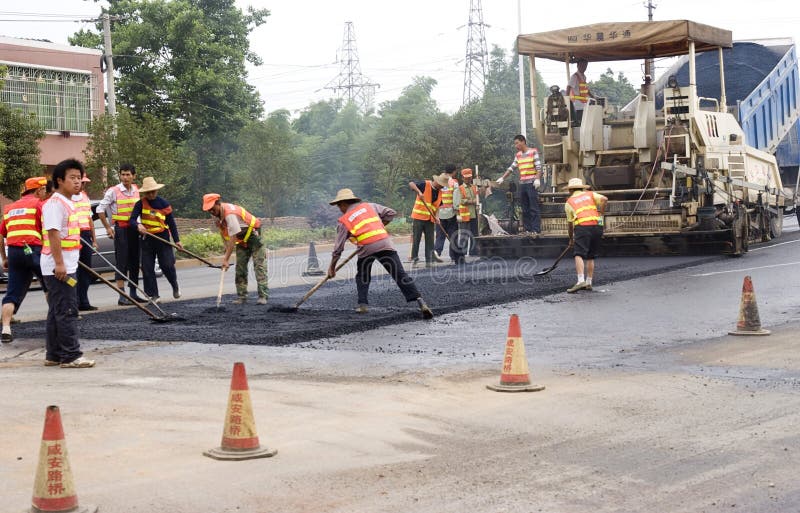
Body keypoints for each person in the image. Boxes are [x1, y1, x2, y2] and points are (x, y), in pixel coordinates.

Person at [327, 188, 433, 319]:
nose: (340, 209)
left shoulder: (344, 220)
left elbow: (338, 249)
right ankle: (421, 303)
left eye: (339, 206)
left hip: (366, 248)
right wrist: (379, 225)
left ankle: (362, 305)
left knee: (362, 276)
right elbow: (390, 213)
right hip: (384, 243)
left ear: (343, 203)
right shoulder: (370, 206)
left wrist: (332, 268)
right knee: (400, 275)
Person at [40, 158, 95, 368]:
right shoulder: (55, 204)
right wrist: (60, 264)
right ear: (59, 180)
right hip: (58, 267)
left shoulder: (67, 202)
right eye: (72, 178)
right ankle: (71, 355)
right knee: (67, 310)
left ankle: (53, 354)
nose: (78, 182)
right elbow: (53, 234)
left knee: (56, 310)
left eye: (79, 178)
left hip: (64, 264)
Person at [0, 176, 49, 343]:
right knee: (49, 285)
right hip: (34, 250)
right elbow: (47, 231)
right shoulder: (39, 205)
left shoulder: (9, 208)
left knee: (12, 292)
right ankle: (57, 323)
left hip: (14, 252)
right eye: (43, 189)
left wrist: (4, 258)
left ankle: (6, 328)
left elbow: (1, 235)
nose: (45, 192)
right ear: (37, 190)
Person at [202, 193, 268, 304]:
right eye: (209, 210)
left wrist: (226, 260)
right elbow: (223, 233)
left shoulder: (230, 214)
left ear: (218, 204)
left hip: (254, 237)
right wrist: (225, 248)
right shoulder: (216, 215)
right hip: (241, 240)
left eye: (212, 209)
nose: (211, 212)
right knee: (240, 268)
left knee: (259, 267)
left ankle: (263, 296)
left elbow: (233, 238)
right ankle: (242, 297)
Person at [130, 177, 182, 302]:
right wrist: (138, 225)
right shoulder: (140, 203)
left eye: (153, 191)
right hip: (147, 238)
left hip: (162, 237)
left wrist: (177, 240)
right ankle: (153, 295)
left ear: (156, 191)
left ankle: (174, 286)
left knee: (167, 265)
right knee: (147, 267)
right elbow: (132, 220)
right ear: (145, 193)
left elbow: (171, 224)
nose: (151, 194)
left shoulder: (164, 204)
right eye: (148, 192)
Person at [97, 163, 142, 305]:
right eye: (123, 174)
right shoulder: (113, 191)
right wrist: (108, 228)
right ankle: (122, 296)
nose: (125, 177)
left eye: (128, 174)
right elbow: (100, 209)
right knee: (121, 261)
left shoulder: (136, 190)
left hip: (134, 230)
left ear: (134, 176)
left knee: (135, 261)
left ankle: (133, 293)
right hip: (121, 230)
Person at [564, 177, 607, 293]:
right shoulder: (590, 194)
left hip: (583, 227)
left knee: (578, 254)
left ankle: (580, 281)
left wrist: (571, 239)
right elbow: (604, 199)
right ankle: (588, 282)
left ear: (570, 190)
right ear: (582, 188)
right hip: (597, 226)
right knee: (590, 256)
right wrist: (601, 213)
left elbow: (570, 224)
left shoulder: (569, 202)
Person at [496, 135, 543, 236]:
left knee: (533, 207)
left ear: (523, 142)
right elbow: (511, 168)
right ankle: (527, 230)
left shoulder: (533, 152)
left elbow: (539, 168)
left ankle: (536, 229)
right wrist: (503, 178)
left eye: (517, 143)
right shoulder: (518, 155)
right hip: (522, 184)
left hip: (531, 184)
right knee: (524, 208)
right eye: (515, 143)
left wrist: (537, 179)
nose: (515, 145)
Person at [408, 173, 449, 267]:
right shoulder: (424, 184)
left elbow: (438, 206)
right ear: (436, 182)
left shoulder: (440, 192)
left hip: (430, 219)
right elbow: (411, 184)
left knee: (430, 241)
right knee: (416, 239)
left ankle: (429, 261)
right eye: (441, 185)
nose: (442, 187)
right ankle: (415, 260)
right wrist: (419, 192)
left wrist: (437, 217)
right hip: (419, 217)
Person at [73, 174, 98, 312]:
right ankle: (74, 302)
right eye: (81, 182)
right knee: (74, 270)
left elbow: (90, 220)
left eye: (84, 183)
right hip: (74, 236)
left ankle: (84, 301)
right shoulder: (67, 197)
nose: (83, 185)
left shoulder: (85, 197)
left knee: (86, 270)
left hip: (85, 234)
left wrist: (94, 240)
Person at [453, 168, 480, 261]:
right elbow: (461, 200)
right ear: (463, 178)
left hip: (474, 215)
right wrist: (472, 201)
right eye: (466, 178)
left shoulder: (474, 187)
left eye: (469, 177)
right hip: (465, 216)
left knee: (475, 234)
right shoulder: (460, 188)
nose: (468, 179)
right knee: (464, 235)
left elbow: (479, 196)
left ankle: (474, 252)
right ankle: (462, 254)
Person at [433, 164, 459, 263]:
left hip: (439, 213)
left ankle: (436, 252)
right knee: (453, 235)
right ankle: (454, 257)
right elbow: (456, 200)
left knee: (440, 235)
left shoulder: (438, 181)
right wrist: (457, 212)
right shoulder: (454, 183)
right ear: (453, 172)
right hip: (451, 213)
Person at [566, 58, 595, 126]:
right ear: (578, 66)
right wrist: (567, 100)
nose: (584, 67)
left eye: (585, 66)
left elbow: (586, 89)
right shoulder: (574, 77)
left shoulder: (583, 77)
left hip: (584, 104)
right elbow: (568, 87)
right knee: (580, 123)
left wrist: (592, 96)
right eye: (582, 65)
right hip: (577, 105)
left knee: (584, 123)